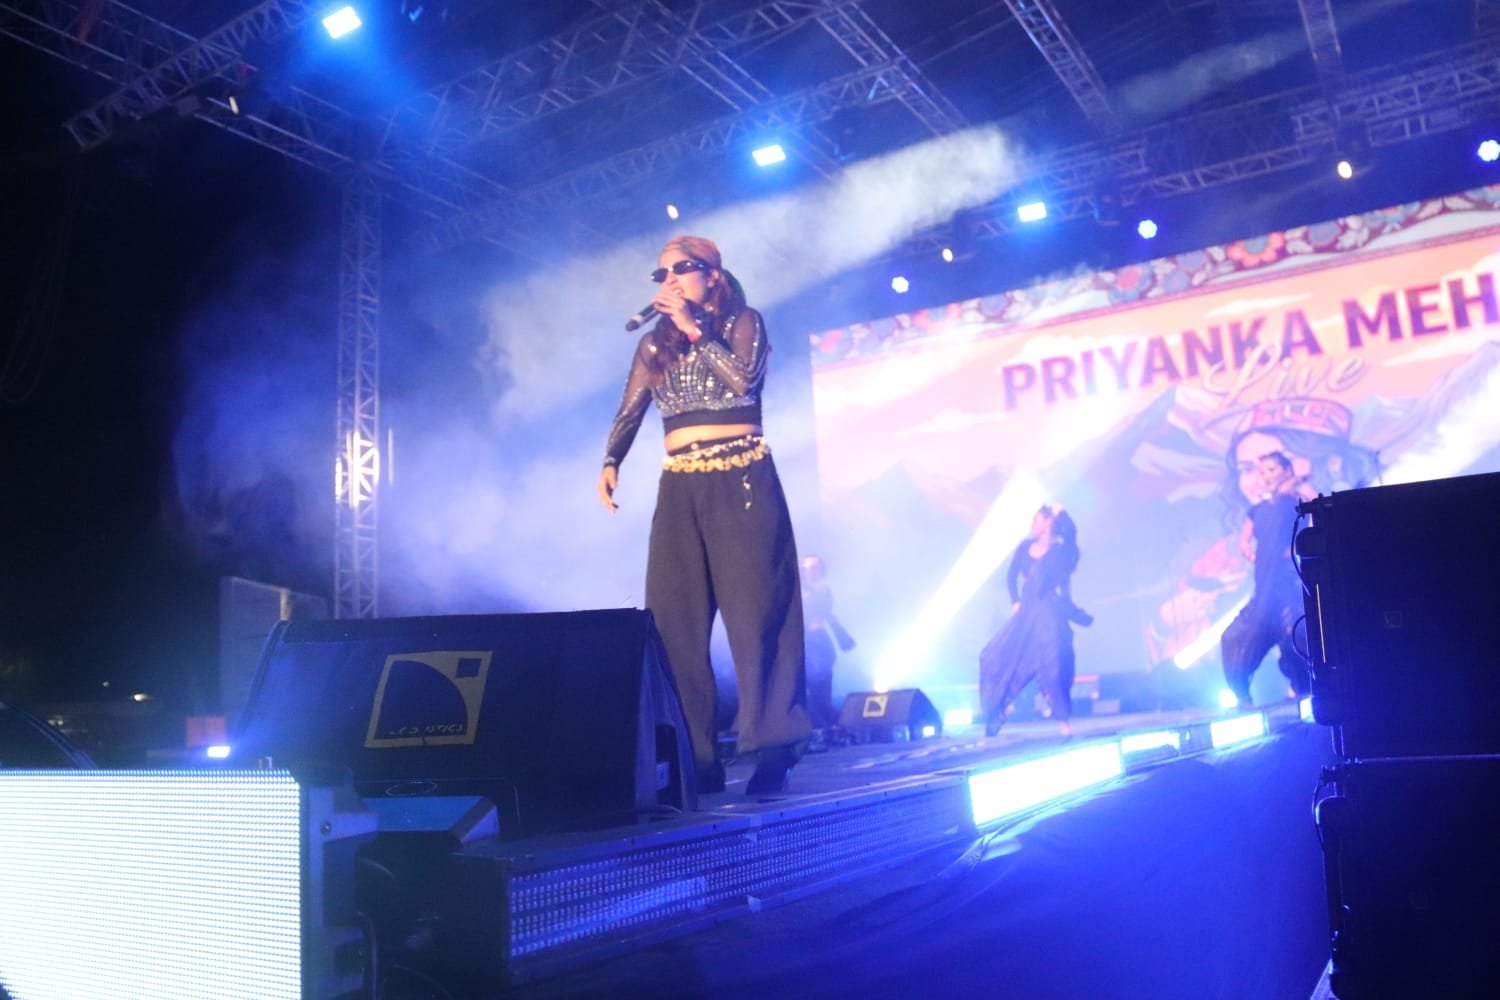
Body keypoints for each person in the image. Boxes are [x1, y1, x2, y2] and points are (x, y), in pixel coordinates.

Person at [598, 235, 810, 797]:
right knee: (675, 620)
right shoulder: (653, 344)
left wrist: (694, 327)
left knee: (757, 611)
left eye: (682, 269)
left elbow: (744, 379)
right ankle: (694, 757)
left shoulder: (744, 321)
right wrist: (612, 459)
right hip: (679, 484)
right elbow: (630, 409)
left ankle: (774, 747)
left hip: (741, 475)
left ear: (712, 274)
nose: (669, 279)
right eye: (661, 273)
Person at [979, 507, 1091, 738]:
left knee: (1052, 665)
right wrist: (1015, 601)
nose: (1032, 524)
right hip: (1026, 614)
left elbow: (1072, 537)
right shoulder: (1024, 547)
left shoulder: (1060, 552)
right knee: (996, 657)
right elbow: (1011, 576)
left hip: (1048, 616)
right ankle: (996, 712)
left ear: (1048, 522)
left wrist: (1062, 513)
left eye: (1036, 519)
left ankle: (1063, 722)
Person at [1220, 451, 1310, 708]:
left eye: (1272, 469)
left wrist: (1290, 552)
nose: (1266, 476)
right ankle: (1242, 697)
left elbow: (1310, 526)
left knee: (1299, 639)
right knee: (1233, 639)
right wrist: (1248, 551)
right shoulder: (1258, 510)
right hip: (1265, 592)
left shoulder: (1297, 501)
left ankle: (1305, 691)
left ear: (1286, 470)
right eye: (1262, 472)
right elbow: (1244, 539)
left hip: (1290, 588)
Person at [800, 554, 856, 730]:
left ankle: (834, 728)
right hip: (805, 644)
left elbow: (815, 609)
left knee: (820, 694)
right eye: (804, 568)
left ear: (820, 571)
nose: (807, 571)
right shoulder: (803, 592)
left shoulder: (821, 591)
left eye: (813, 567)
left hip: (817, 645)